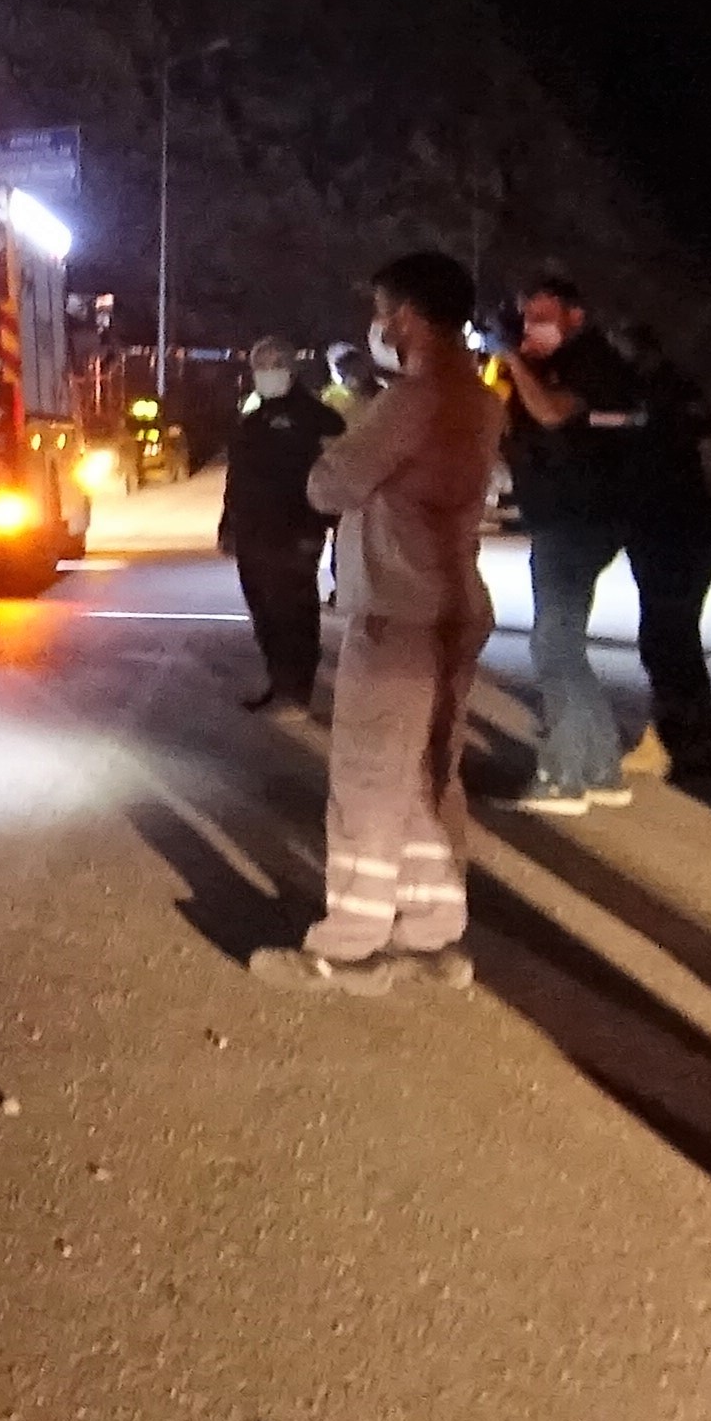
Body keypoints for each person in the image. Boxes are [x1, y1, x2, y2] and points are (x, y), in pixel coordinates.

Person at [253, 250, 504, 991]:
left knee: (367, 776)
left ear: (408, 318)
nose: (379, 325)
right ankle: (431, 936)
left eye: (384, 310)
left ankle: (350, 945)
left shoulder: (413, 399)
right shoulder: (481, 399)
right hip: (455, 605)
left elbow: (330, 486)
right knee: (429, 775)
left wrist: (345, 439)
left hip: (397, 611)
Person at [498, 273, 650, 815]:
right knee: (562, 645)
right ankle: (602, 770)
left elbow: (552, 413)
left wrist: (512, 362)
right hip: (564, 517)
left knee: (553, 645)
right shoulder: (554, 364)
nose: (531, 327)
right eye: (525, 318)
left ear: (574, 316)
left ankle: (563, 778)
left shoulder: (593, 363)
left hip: (580, 519)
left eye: (542, 316)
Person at [610, 321, 711, 785]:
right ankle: (685, 746)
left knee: (668, 637)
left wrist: (702, 494)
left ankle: (679, 745)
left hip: (676, 528)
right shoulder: (666, 389)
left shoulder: (664, 391)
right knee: (669, 635)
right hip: (672, 526)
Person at [219, 335, 346, 711]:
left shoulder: (317, 417)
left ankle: (297, 688)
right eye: (261, 364)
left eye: (275, 363)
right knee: (264, 609)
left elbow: (334, 472)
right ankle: (279, 681)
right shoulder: (253, 415)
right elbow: (237, 476)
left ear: (291, 368)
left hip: (296, 530)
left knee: (294, 611)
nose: (267, 370)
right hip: (252, 530)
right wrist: (229, 524)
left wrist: (321, 524)